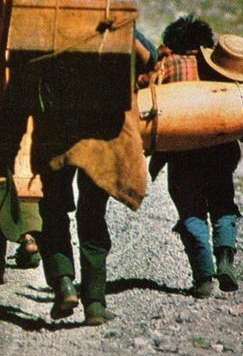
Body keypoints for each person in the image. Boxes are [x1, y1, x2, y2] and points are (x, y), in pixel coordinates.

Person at [36, 26, 157, 325]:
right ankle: (95, 303)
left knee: (52, 209)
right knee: (92, 214)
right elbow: (150, 56)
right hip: (101, 138)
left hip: (56, 133)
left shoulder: (43, 21)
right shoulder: (110, 19)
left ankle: (63, 282)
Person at [143, 15, 243, 298]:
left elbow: (146, 94)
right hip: (220, 153)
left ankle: (203, 278)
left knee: (191, 212)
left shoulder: (166, 67)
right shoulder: (218, 68)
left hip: (182, 156)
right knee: (223, 204)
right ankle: (225, 261)